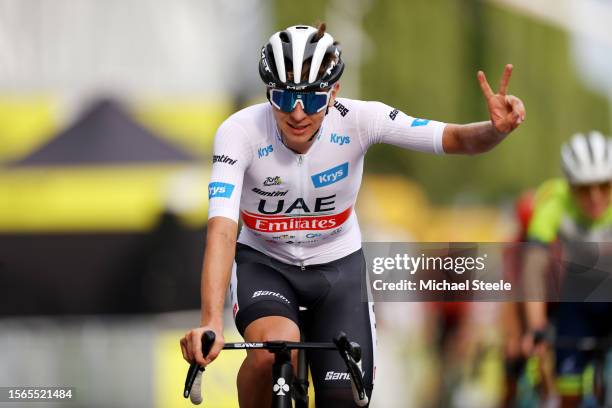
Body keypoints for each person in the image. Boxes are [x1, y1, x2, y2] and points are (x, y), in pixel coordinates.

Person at [179, 23, 526, 407]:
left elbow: (454, 138)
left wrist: (495, 131)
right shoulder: (239, 132)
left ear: (334, 93)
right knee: (273, 351)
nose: (297, 113)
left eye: (312, 100)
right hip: (267, 263)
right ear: (268, 93)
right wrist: (211, 319)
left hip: (337, 269)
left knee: (344, 398)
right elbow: (223, 230)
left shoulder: (361, 120)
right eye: (283, 98)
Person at [523, 131, 612, 407]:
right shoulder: (553, 200)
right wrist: (536, 326)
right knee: (569, 392)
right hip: (577, 298)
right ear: (570, 185)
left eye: (604, 186)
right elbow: (533, 266)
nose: (596, 197)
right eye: (585, 188)